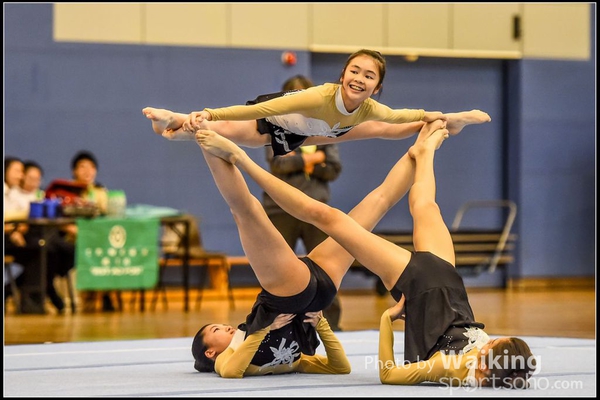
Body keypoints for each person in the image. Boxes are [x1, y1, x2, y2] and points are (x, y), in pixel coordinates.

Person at [195, 121, 537, 388]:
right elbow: (339, 367)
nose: (224, 327)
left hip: (321, 291)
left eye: (490, 349)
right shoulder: (483, 364)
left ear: (485, 366)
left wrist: (386, 321)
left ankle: (231, 155)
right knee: (400, 206)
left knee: (274, 214)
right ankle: (426, 143)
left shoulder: (452, 368)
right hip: (440, 287)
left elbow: (385, 373)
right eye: (494, 344)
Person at [189, 120, 444, 378]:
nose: (226, 327)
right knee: (247, 210)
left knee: (373, 205)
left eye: (219, 325)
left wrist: (262, 328)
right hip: (316, 295)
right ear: (210, 352)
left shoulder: (242, 341)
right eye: (216, 331)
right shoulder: (228, 359)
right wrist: (320, 325)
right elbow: (339, 367)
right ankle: (208, 137)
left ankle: (424, 143)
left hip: (288, 292)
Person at [143, 49, 491, 156]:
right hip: (286, 120)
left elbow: (406, 115)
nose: (359, 79)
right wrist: (209, 111)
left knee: (390, 128)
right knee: (230, 131)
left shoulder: (372, 108)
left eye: (368, 76)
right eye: (354, 71)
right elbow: (257, 111)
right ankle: (172, 121)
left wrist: (441, 116)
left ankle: (452, 124)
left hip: (325, 132)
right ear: (343, 74)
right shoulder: (315, 96)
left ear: (376, 86)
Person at [263, 75, 343, 330]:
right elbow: (279, 164)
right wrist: (312, 159)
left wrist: (299, 160)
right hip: (280, 209)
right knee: (276, 272)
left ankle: (332, 326)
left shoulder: (324, 127)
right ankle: (269, 325)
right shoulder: (275, 126)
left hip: (316, 210)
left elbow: (333, 168)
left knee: (326, 269)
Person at [68, 150, 115, 312]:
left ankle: (106, 294)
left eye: (91, 167)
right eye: (82, 167)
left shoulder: (102, 192)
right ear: (74, 171)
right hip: (75, 241)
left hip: (99, 240)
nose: (87, 171)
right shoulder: (67, 192)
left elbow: (109, 217)